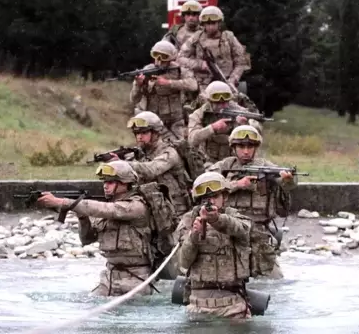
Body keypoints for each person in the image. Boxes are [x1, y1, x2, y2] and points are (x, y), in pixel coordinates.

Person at [36, 161, 155, 296]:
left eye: (110, 182)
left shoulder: (136, 207)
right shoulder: (106, 210)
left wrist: (64, 202)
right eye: (104, 182)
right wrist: (83, 218)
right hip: (109, 277)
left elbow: (107, 210)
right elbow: (87, 239)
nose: (105, 186)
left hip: (137, 279)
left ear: (125, 183)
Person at [207, 125, 295, 279]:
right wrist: (236, 184)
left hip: (257, 232)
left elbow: (286, 184)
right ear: (233, 148)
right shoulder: (224, 166)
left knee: (275, 280)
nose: (246, 151)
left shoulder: (266, 166)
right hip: (228, 230)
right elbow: (206, 186)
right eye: (241, 146)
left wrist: (287, 180)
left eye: (250, 146)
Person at [174, 172, 253, 320]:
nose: (210, 202)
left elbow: (241, 229)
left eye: (215, 196)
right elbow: (183, 262)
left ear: (225, 197)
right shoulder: (187, 221)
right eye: (205, 198)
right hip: (197, 306)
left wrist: (216, 220)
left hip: (232, 306)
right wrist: (194, 236)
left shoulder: (236, 218)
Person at [109, 111, 192, 217]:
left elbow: (152, 170)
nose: (139, 137)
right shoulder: (139, 154)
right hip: (153, 208)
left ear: (155, 133)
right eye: (137, 133)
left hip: (176, 210)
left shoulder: (170, 152)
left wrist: (124, 164)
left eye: (144, 133)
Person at [130, 40, 198, 141]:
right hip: (154, 120)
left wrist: (168, 83)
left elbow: (193, 85)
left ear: (171, 58)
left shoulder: (178, 70)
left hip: (176, 119)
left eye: (164, 57)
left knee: (182, 145)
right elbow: (134, 100)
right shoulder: (146, 71)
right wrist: (138, 85)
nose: (159, 61)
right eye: (156, 56)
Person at [187, 81, 262, 165]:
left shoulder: (239, 111)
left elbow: (257, 136)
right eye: (218, 103)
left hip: (235, 161)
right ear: (209, 101)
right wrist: (213, 128)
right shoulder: (199, 114)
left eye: (225, 102)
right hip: (207, 160)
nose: (222, 105)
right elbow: (191, 140)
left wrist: (242, 125)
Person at [177, 5, 249, 90]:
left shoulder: (229, 37)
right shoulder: (196, 38)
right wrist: (199, 64)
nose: (210, 27)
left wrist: (233, 79)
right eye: (207, 23)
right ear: (203, 24)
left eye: (213, 23)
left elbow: (241, 62)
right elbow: (180, 58)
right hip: (203, 84)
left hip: (227, 82)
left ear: (219, 23)